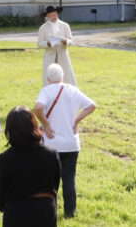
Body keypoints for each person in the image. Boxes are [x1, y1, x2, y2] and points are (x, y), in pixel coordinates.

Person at [33, 63, 96, 218]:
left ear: (48, 78)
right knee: (69, 178)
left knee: (49, 179)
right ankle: (70, 212)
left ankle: (50, 211)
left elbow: (38, 107)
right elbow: (92, 105)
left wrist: (46, 124)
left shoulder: (46, 91)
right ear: (63, 76)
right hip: (71, 143)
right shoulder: (73, 90)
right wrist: (76, 120)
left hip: (51, 143)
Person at [37, 5, 76, 86]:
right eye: (51, 15)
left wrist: (65, 41)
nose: (53, 17)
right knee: (49, 76)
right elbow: (40, 43)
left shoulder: (65, 25)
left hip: (63, 55)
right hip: (50, 56)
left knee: (67, 75)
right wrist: (48, 43)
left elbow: (71, 40)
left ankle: (68, 93)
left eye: (54, 14)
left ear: (57, 13)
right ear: (47, 16)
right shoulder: (43, 28)